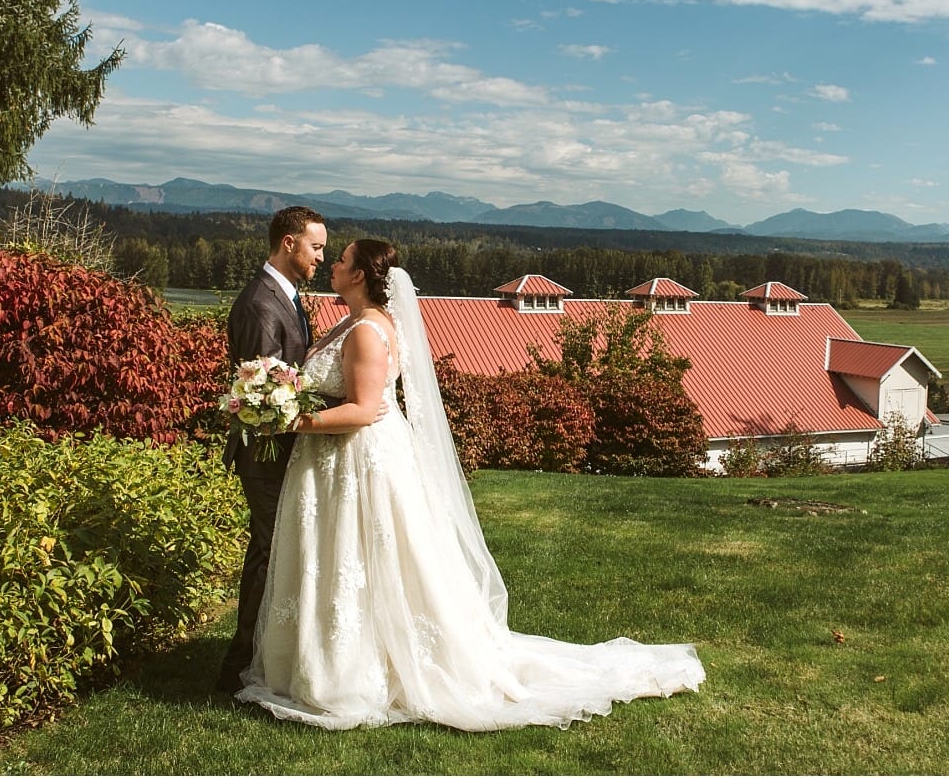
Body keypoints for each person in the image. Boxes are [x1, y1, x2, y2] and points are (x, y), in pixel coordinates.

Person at [237, 239, 705, 730]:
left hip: (359, 460)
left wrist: (291, 423)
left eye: (342, 260)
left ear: (358, 276)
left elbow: (360, 411)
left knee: (367, 556)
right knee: (343, 558)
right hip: (337, 461)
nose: (332, 265)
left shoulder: (368, 333)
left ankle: (364, 668)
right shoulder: (349, 323)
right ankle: (331, 655)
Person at [214, 206, 327, 694]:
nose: (320, 256)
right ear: (289, 243)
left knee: (276, 550)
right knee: (267, 551)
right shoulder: (262, 303)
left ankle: (266, 649)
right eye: (316, 247)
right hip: (265, 454)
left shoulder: (288, 296)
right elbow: (261, 394)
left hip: (281, 450)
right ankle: (240, 663)